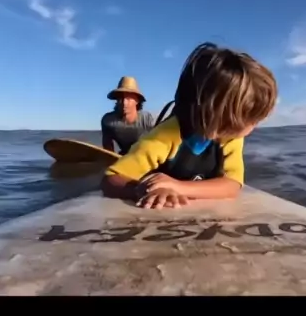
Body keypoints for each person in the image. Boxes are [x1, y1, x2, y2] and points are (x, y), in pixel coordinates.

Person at [102, 42, 278, 208]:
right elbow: (111, 178)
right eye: (252, 118)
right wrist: (142, 190)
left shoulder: (230, 136)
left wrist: (178, 187)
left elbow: (233, 184)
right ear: (218, 115)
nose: (256, 124)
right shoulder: (165, 137)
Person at [101, 76, 154, 155]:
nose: (124, 103)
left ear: (137, 100)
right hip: (124, 157)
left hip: (145, 155)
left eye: (129, 98)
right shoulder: (108, 121)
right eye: (120, 98)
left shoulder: (147, 119)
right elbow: (108, 148)